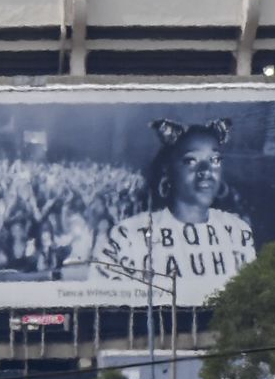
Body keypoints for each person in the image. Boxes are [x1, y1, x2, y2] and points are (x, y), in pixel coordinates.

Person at [96, 118, 256, 299]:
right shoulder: (127, 237)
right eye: (191, 161)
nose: (206, 170)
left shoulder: (238, 232)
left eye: (215, 159)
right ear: (167, 172)